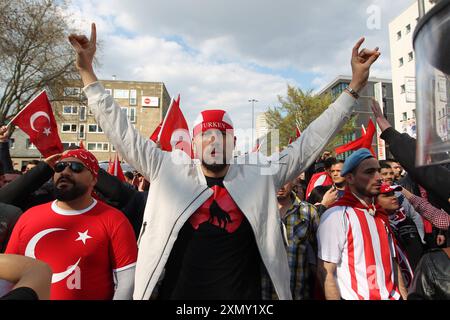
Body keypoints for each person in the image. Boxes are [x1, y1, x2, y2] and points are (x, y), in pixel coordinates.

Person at [69, 23, 380, 300]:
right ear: (193, 143)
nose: (213, 142)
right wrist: (87, 73)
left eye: (221, 136)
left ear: (234, 143)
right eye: (205, 136)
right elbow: (120, 129)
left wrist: (353, 88)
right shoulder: (167, 169)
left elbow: (309, 142)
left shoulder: (259, 175)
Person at [5, 149, 138, 300]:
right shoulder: (28, 216)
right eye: (59, 167)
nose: (65, 172)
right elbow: (8, 276)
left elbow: (127, 281)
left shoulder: (114, 219)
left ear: (94, 179)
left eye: (76, 168)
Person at [317, 148, 407, 300]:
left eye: (378, 171)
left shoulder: (380, 215)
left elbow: (393, 263)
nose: (379, 177)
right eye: (369, 172)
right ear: (350, 178)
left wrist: (403, 296)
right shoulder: (336, 216)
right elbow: (326, 272)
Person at [263, 181, 319, 300]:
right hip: (265, 291)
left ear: (294, 181)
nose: (281, 185)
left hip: (297, 292)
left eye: (286, 180)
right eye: (277, 179)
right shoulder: (259, 210)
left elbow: (319, 252)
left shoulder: (309, 212)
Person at [376, 183, 423, 285]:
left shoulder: (407, 220)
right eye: (386, 195)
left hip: (419, 278)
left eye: (393, 193)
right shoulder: (375, 225)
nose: (393, 197)